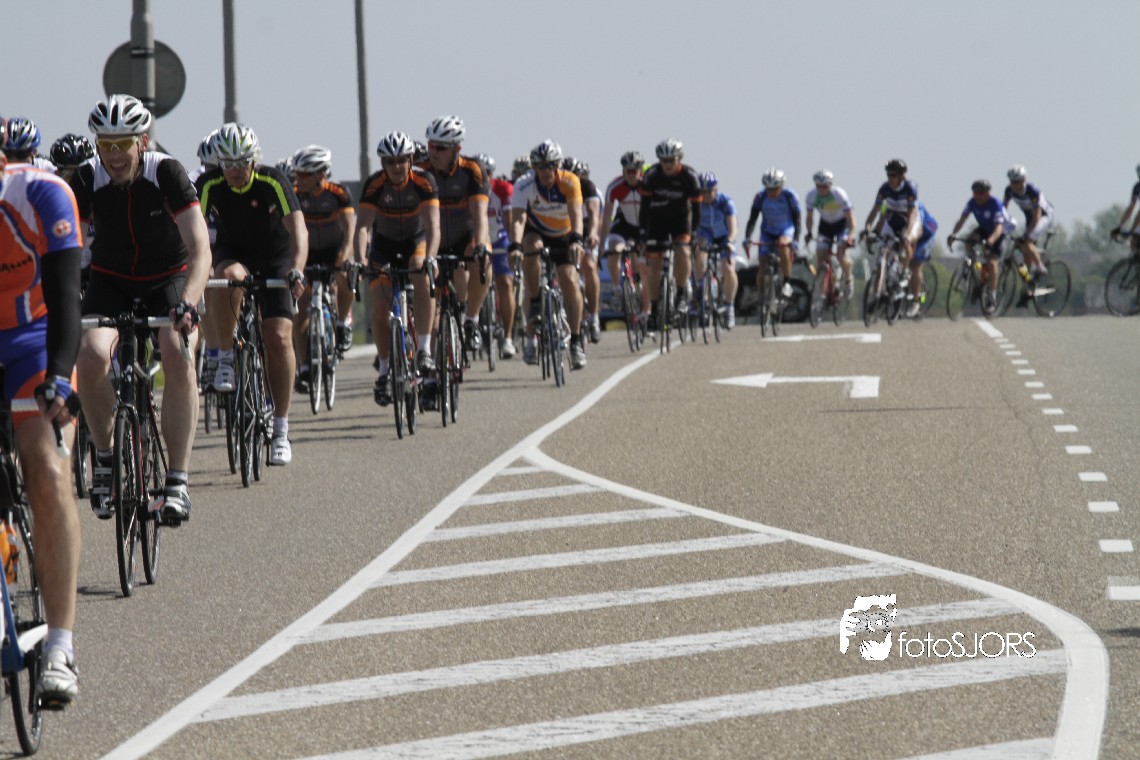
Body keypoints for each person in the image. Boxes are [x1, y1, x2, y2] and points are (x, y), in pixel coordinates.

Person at [71, 95, 211, 523]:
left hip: (168, 279)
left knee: (177, 350)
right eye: (106, 144)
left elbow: (200, 248)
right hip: (111, 280)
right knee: (90, 355)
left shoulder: (166, 172)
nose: (114, 155)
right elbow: (69, 251)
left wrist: (189, 302)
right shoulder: (86, 178)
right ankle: (106, 455)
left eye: (123, 144)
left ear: (143, 142)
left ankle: (177, 481)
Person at [0, 113, 84, 706]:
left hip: (34, 337)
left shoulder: (41, 194)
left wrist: (58, 376)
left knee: (48, 471)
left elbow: (66, 298)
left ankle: (59, 646)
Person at [197, 122, 307, 466]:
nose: (233, 171)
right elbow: (193, 234)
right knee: (226, 277)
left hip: (275, 257)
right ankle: (225, 357)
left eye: (241, 163)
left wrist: (297, 268)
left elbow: (299, 229)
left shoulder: (273, 180)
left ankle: (281, 429)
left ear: (254, 160)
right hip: (235, 254)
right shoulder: (210, 184)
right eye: (226, 164)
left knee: (278, 336)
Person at [354, 131, 439, 406]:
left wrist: (432, 257)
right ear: (383, 164)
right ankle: (383, 371)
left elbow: (433, 226)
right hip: (384, 246)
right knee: (380, 306)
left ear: (411, 160)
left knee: (420, 270)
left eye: (402, 160)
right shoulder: (374, 185)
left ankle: (424, 349)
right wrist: (360, 259)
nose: (396, 166)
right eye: (390, 162)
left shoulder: (424, 181)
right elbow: (363, 228)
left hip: (416, 242)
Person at [510, 139, 587, 370]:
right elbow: (518, 218)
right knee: (530, 246)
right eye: (541, 166)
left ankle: (575, 341)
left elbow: (576, 213)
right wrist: (515, 246)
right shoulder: (524, 184)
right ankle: (535, 304)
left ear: (558, 165)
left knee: (569, 280)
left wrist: (577, 240)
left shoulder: (570, 181)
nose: (546, 171)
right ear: (534, 167)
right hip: (537, 231)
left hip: (564, 234)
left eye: (551, 165)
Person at [418, 116, 491, 353]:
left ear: (456, 149)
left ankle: (471, 320)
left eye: (440, 148)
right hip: (432, 240)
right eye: (431, 145)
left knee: (483, 262)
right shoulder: (421, 170)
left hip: (464, 237)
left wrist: (480, 245)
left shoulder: (472, 170)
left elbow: (480, 215)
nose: (433, 152)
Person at [290, 145, 355, 393]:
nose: (299, 179)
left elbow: (349, 232)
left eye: (304, 175)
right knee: (300, 306)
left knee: (344, 275)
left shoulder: (339, 193)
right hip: (307, 253)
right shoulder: (294, 194)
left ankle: (342, 323)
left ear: (321, 174)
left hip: (334, 251)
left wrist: (342, 258)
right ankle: (305, 366)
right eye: (297, 174)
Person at [639, 138, 702, 332]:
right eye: (663, 160)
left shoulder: (690, 176)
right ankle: (655, 308)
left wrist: (695, 232)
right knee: (654, 265)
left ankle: (681, 293)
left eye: (671, 160)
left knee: (682, 251)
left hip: (680, 220)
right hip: (657, 220)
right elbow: (644, 207)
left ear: (679, 159)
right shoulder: (651, 175)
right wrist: (642, 233)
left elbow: (697, 209)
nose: (667, 164)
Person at [947, 179, 1014, 311]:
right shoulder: (972, 202)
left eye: (980, 193)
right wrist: (953, 234)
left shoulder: (995, 204)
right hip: (984, 229)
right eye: (975, 193)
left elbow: (998, 228)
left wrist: (990, 241)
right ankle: (973, 269)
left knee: (992, 263)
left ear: (987, 193)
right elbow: (962, 220)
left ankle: (992, 297)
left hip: (1000, 232)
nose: (977, 196)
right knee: (969, 241)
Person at [862, 158, 922, 303]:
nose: (890, 178)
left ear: (901, 176)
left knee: (906, 241)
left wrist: (907, 232)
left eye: (893, 175)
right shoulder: (884, 188)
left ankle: (905, 272)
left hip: (909, 220)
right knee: (882, 256)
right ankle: (877, 294)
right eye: (888, 175)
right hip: (893, 219)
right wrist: (867, 228)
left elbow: (912, 213)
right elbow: (875, 210)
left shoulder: (909, 188)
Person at [600, 151, 650, 323]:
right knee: (614, 250)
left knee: (640, 266)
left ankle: (643, 303)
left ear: (640, 171)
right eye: (627, 171)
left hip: (644, 225)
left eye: (634, 171)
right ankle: (616, 288)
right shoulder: (615, 187)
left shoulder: (648, 185)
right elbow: (607, 218)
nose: (631, 175)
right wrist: (602, 246)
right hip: (624, 224)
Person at [478, 153, 518, 358]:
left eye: (487, 173)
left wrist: (513, 246)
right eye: (479, 173)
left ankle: (508, 337)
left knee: (505, 283)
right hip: (480, 240)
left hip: (500, 238)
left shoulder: (503, 189)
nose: (484, 177)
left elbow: (510, 220)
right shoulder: (470, 189)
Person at [743, 167, 801, 302]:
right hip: (767, 231)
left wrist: (796, 240)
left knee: (782, 245)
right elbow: (752, 220)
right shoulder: (760, 197)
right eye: (768, 189)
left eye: (775, 189)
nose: (771, 192)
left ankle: (786, 282)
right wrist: (748, 238)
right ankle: (761, 297)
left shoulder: (790, 196)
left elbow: (797, 220)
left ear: (781, 186)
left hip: (785, 229)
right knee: (762, 265)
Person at [563, 156, 604, 342]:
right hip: (566, 228)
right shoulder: (559, 186)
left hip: (586, 229)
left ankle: (594, 317)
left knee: (589, 265)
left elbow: (595, 215)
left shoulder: (588, 187)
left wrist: (594, 234)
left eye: (575, 174)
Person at [695, 171, 739, 328]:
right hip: (705, 234)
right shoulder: (696, 202)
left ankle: (729, 306)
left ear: (716, 189)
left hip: (723, 236)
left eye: (709, 191)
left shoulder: (725, 202)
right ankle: (702, 292)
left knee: (728, 268)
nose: (706, 195)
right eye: (703, 191)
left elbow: (733, 226)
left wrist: (731, 241)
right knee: (699, 252)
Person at [803, 169, 856, 302]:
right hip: (825, 226)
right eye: (818, 186)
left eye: (825, 186)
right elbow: (809, 218)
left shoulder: (839, 195)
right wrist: (809, 232)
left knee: (840, 255)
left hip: (841, 225)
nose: (822, 189)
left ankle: (849, 279)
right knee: (821, 257)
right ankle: (823, 291)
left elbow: (851, 219)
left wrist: (850, 236)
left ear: (830, 184)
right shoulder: (811, 196)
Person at [1003, 165, 1052, 292]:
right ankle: (1029, 283)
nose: (1013, 185)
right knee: (1025, 251)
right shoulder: (1008, 191)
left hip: (1043, 217)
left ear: (1023, 180)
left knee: (1027, 241)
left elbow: (1037, 217)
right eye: (1012, 182)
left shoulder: (1032, 191)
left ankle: (1041, 268)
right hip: (1030, 218)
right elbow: (1002, 211)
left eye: (1016, 182)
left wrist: (1025, 235)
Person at [1111, 164, 1140, 254]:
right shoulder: (1137, 187)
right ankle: (1135, 260)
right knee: (1134, 241)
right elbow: (1130, 209)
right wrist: (1119, 226)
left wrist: (1132, 230)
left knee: (1135, 235)